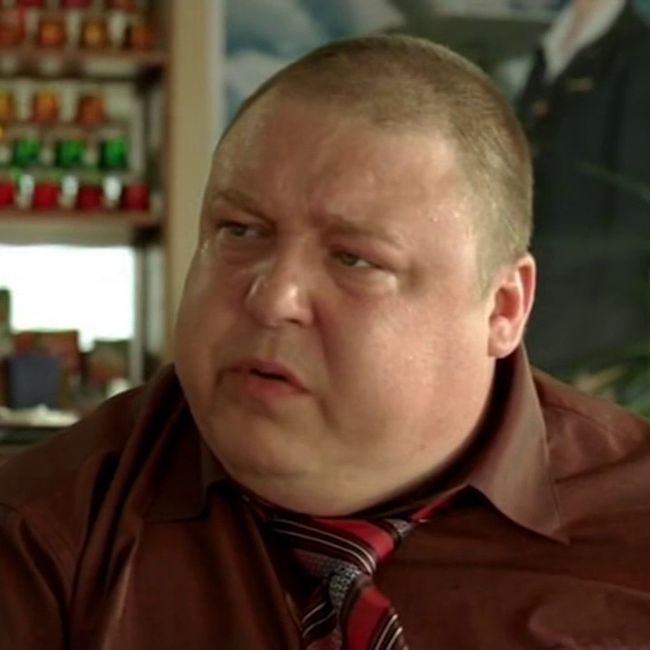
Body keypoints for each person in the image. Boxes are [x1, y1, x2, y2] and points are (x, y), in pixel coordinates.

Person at [1, 35, 649, 650]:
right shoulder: (45, 533)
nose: (273, 297)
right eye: (239, 231)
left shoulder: (632, 525)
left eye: (354, 259)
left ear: (503, 308)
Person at [518, 0, 650, 376]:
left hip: (586, 328)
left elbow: (633, 216)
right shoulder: (552, 48)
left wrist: (611, 355)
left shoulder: (637, 58)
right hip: (532, 303)